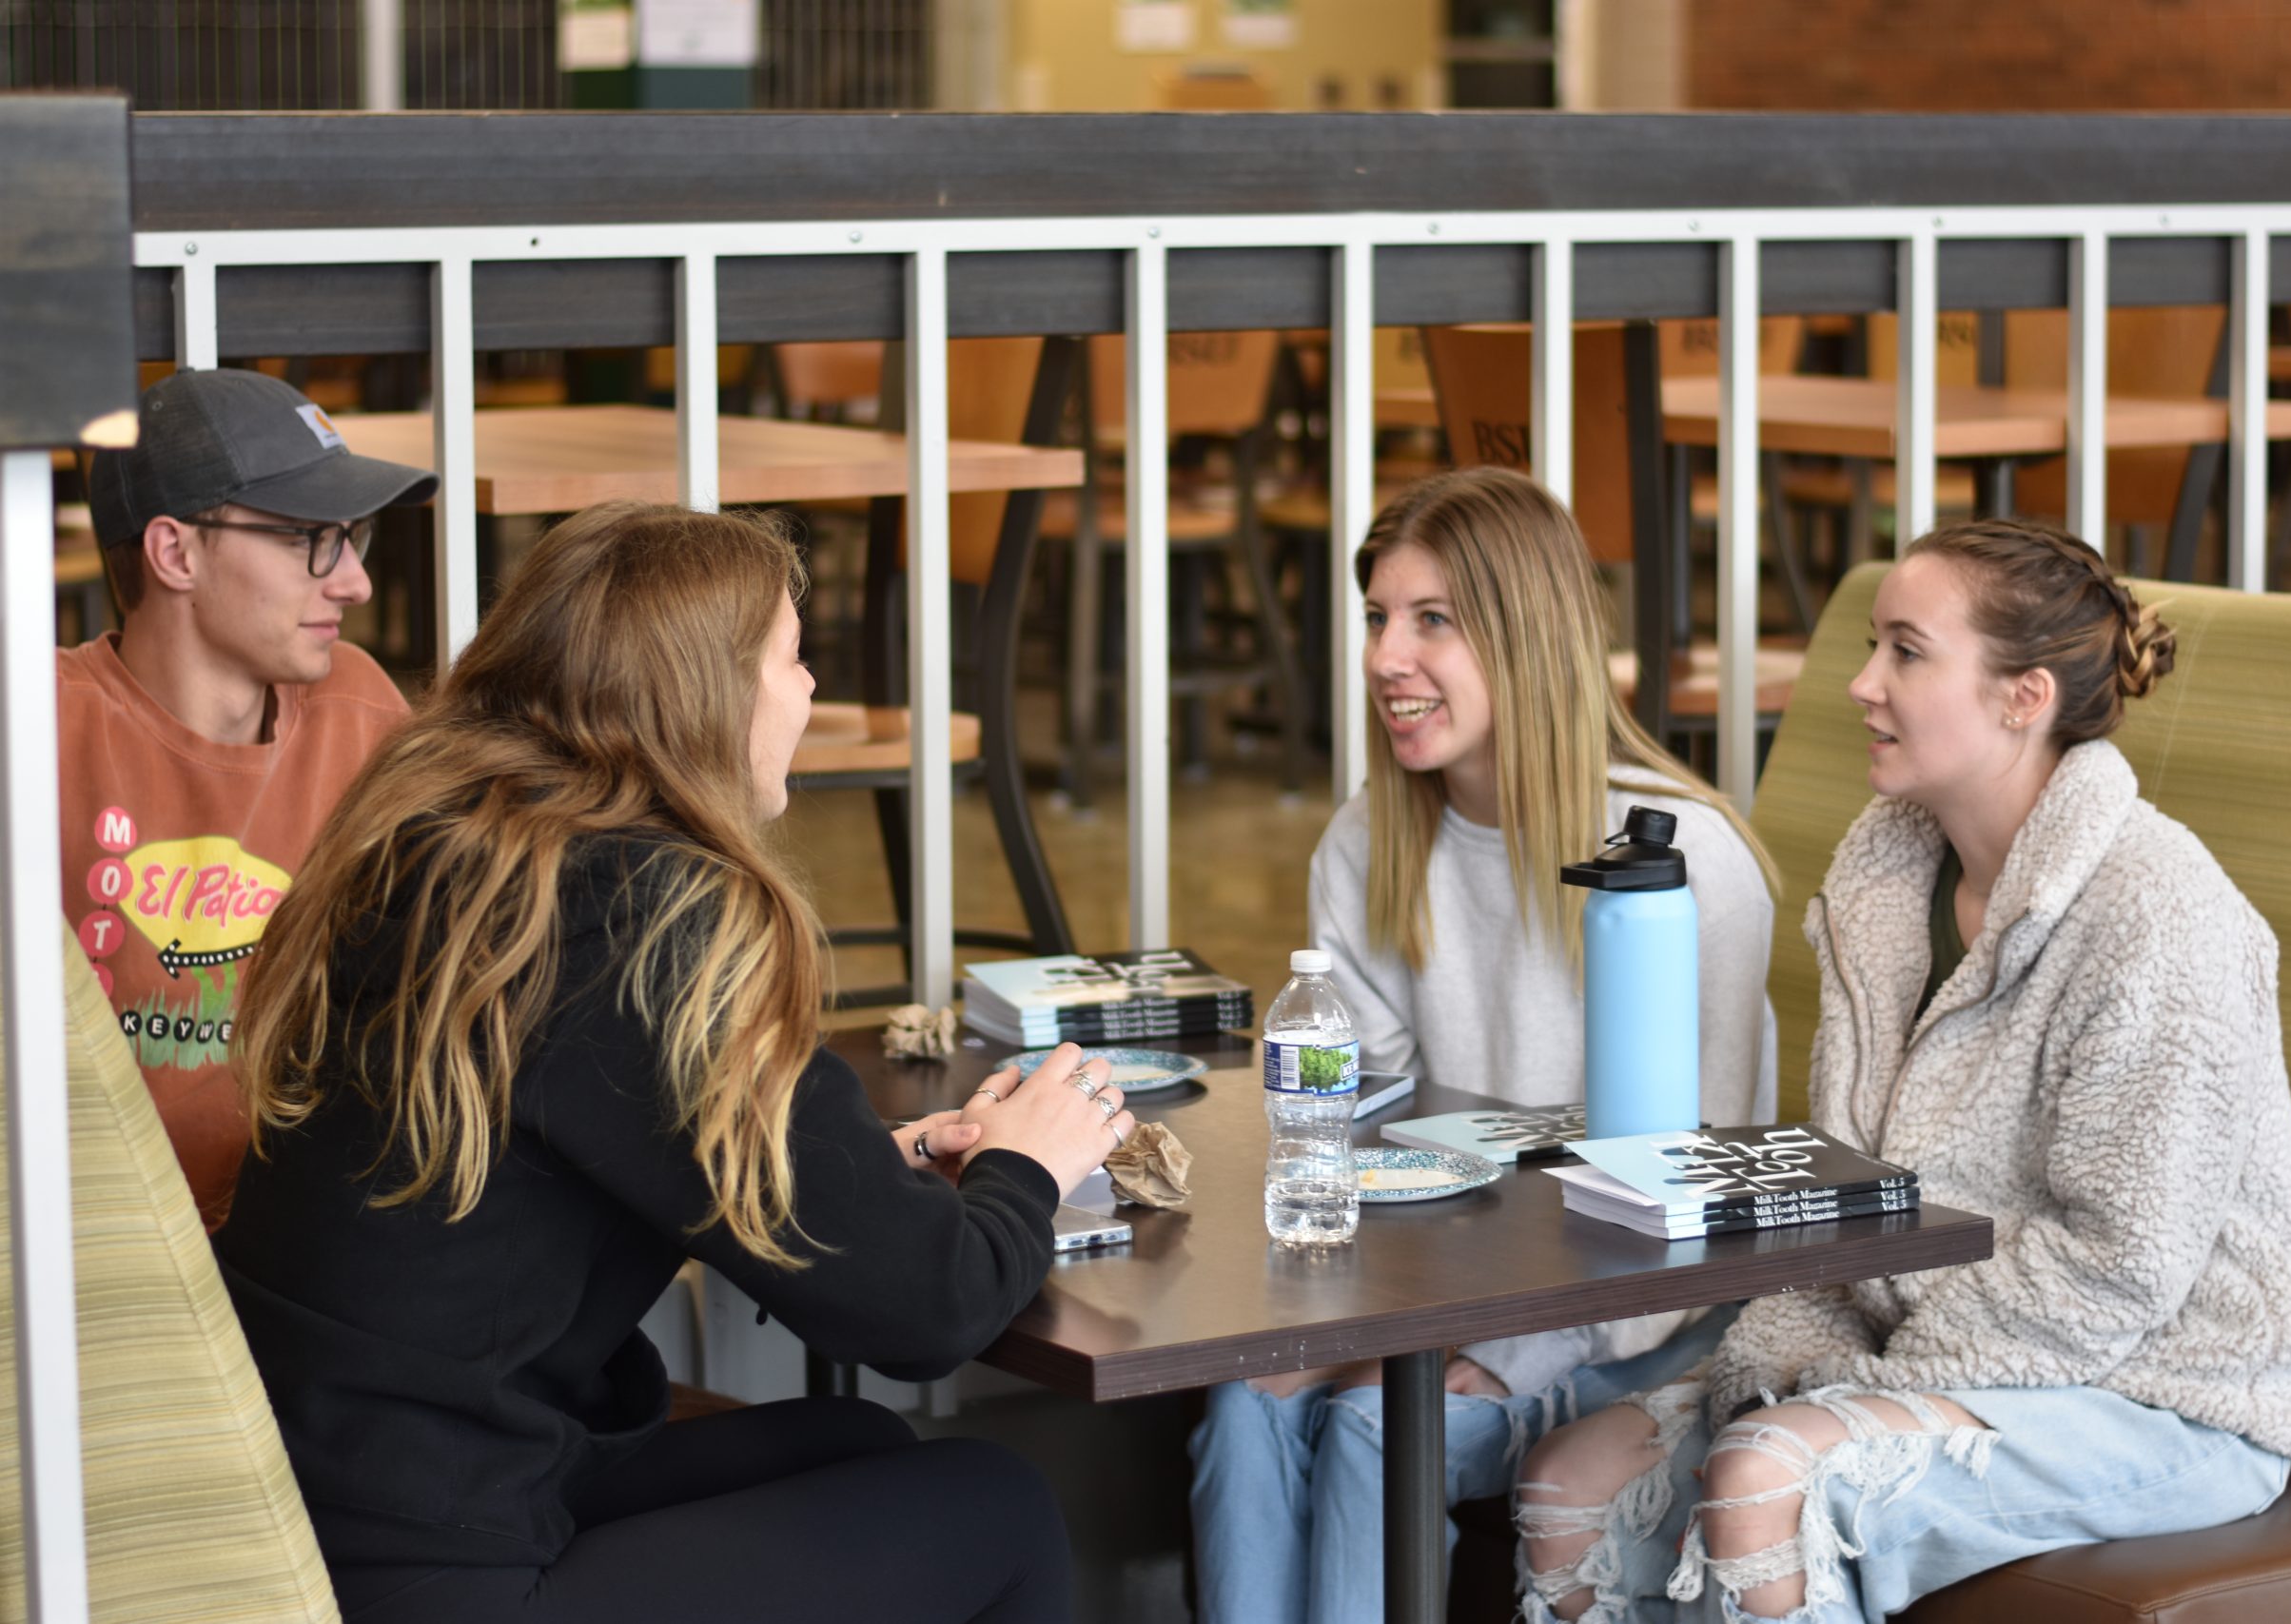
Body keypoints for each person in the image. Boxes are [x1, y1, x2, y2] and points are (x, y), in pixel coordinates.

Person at [215, 501, 1131, 1623]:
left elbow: (573, 1141)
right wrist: (1028, 1166)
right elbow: (924, 1313)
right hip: (440, 1565)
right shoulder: (643, 916)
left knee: (851, 1443)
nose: (807, 697)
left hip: (319, 1495)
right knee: (998, 1506)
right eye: (794, 662)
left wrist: (865, 1162)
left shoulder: (456, 843)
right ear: (709, 695)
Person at [1510, 519, 2291, 1624]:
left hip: (2167, 1389)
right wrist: (1798, 1351)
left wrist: (1869, 1385)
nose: (1861, 684)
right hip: (1941, 1347)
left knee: (1769, 1474)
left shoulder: (2162, 918)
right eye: (1872, 646)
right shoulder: (1885, 881)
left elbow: (2120, 1266)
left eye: (1906, 652)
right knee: (1567, 1481)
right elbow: (1852, 1184)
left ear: (2023, 696)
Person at [1189, 466, 1781, 1623]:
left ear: (1529, 640)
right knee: (1243, 1402)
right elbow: (1355, 1131)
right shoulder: (1369, 842)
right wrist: (1341, 1328)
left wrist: (1516, 1355)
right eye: (1375, 619)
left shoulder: (1684, 869)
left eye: (1433, 622)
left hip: (1631, 1334)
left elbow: (1692, 1212)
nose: (1384, 660)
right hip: (1435, 1306)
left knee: (1375, 1436)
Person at [61, 365, 436, 1227]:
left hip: (312, 1244)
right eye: (311, 539)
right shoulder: (41, 729)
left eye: (353, 538)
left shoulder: (360, 709)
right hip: (98, 1255)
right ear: (175, 552)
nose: (354, 582)